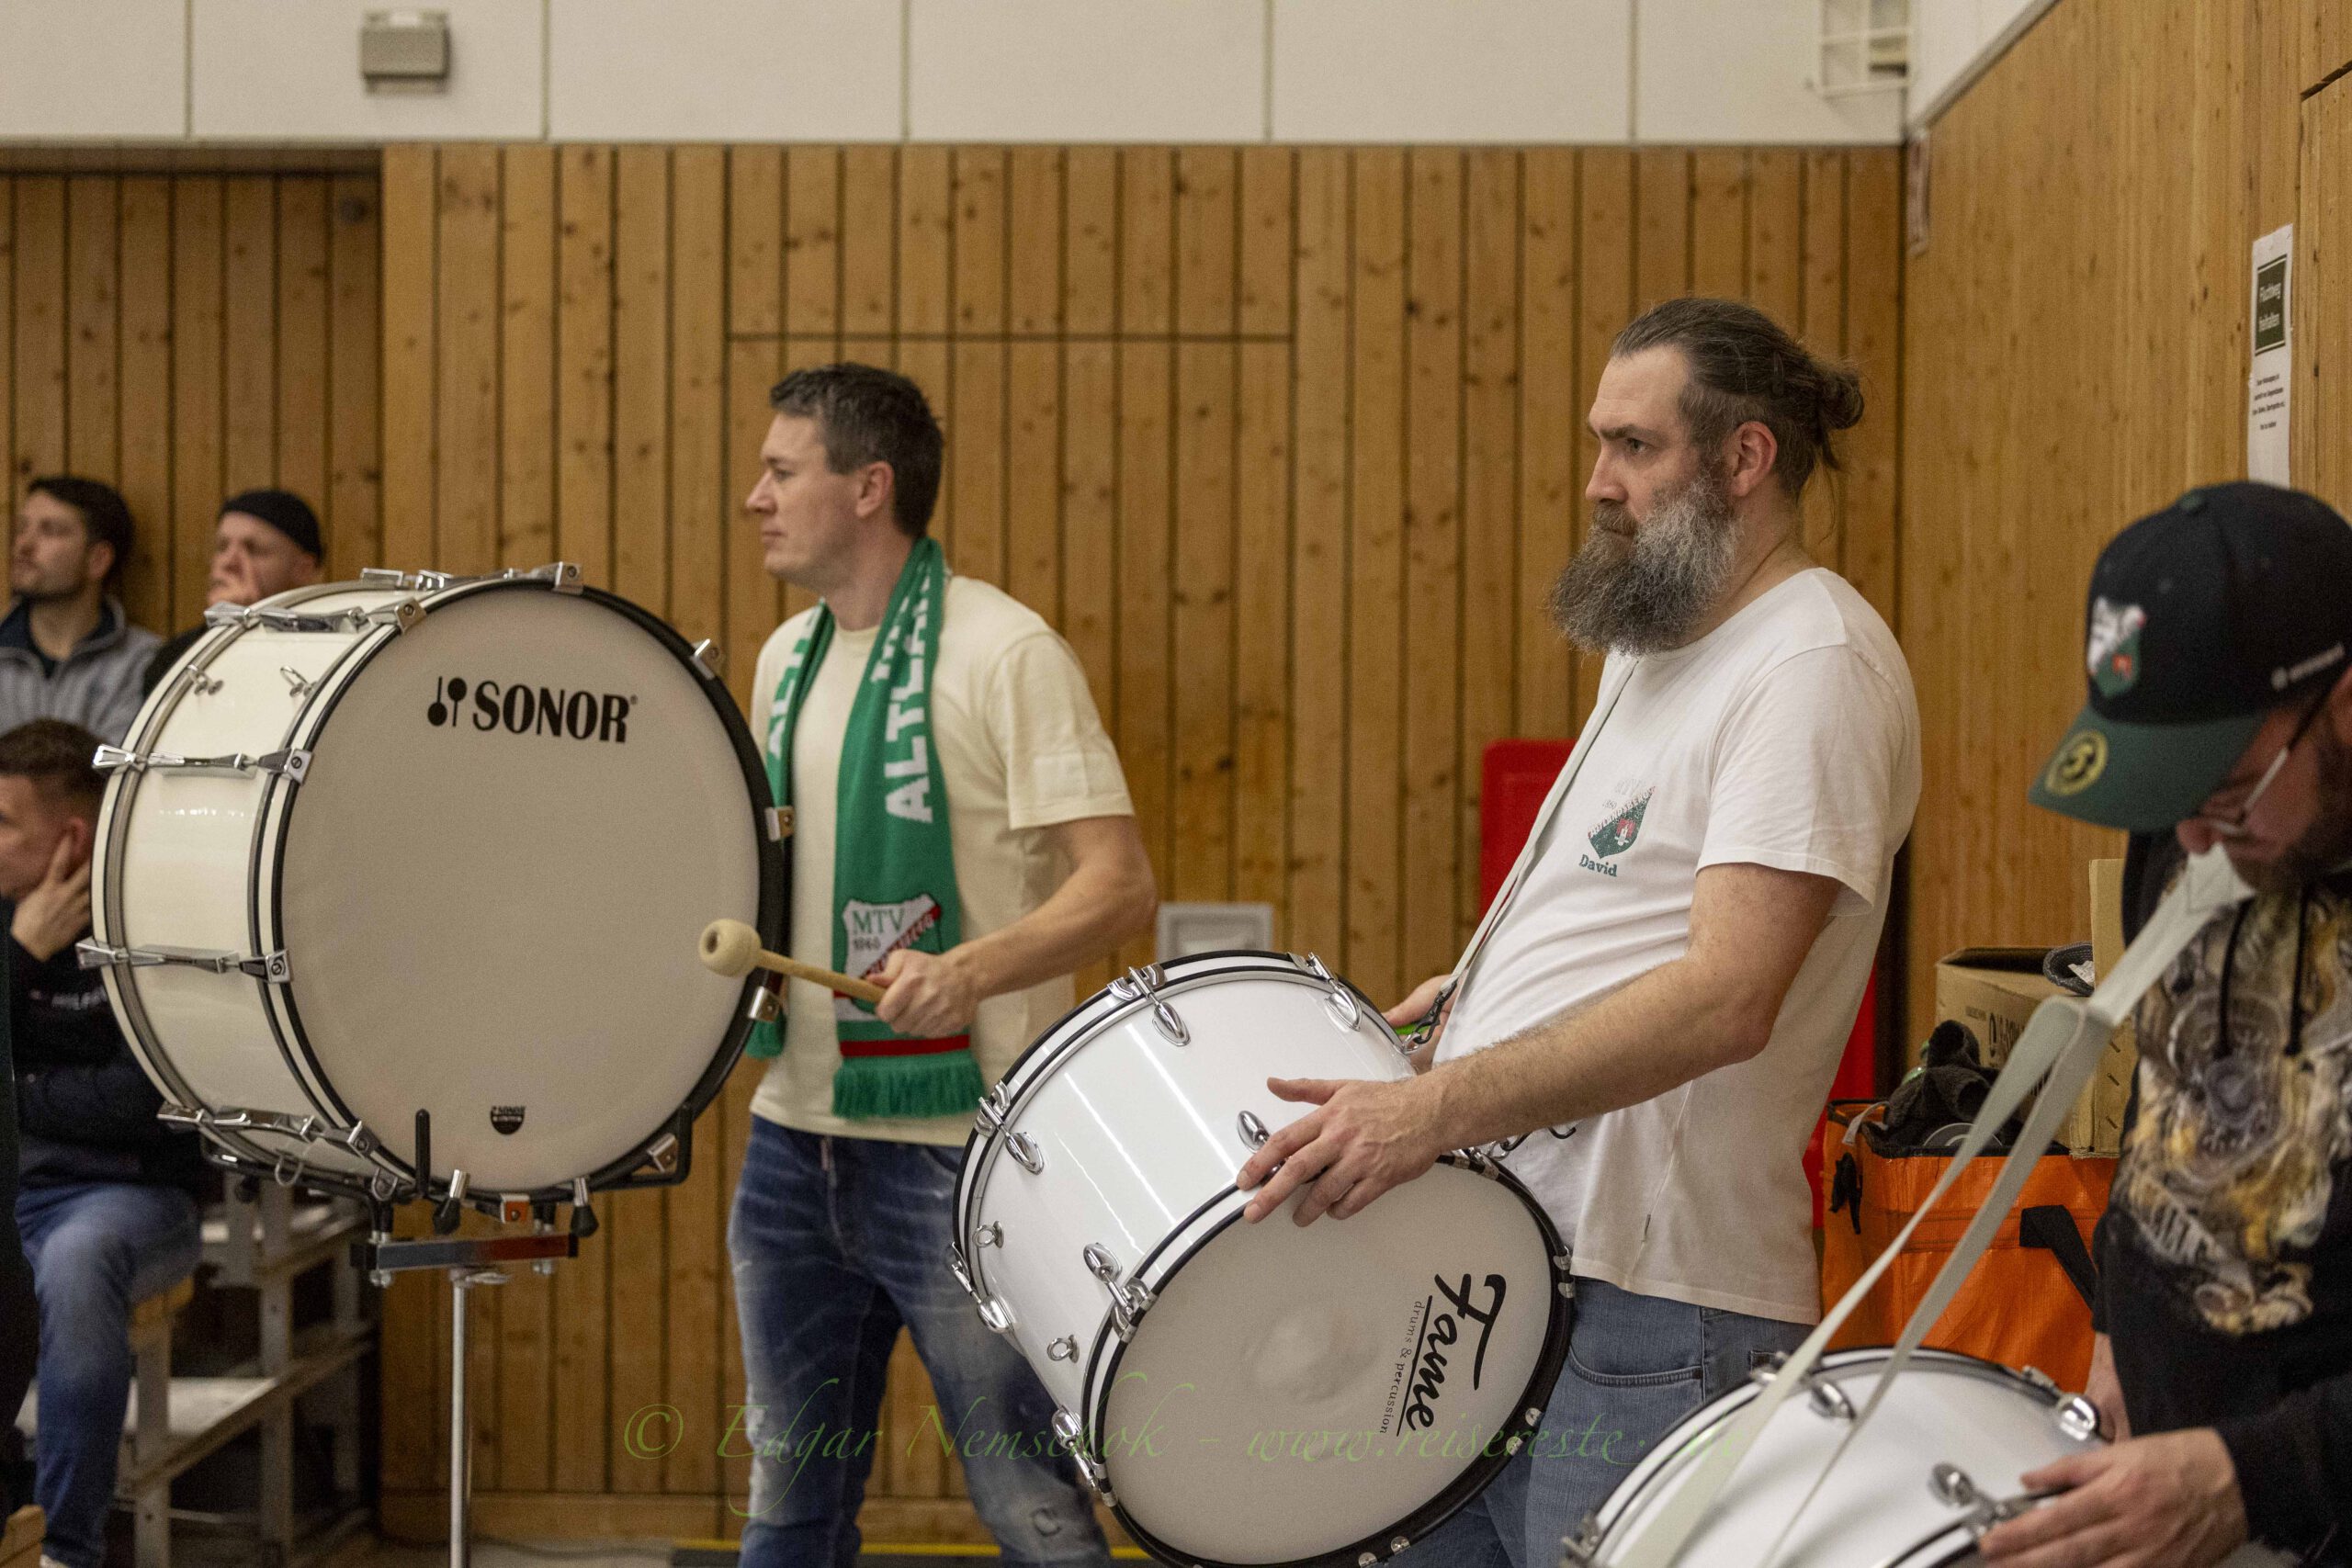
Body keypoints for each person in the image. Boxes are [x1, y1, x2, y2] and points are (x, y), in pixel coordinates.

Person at [1234, 298, 1920, 1563]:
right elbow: (1624, 906)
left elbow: (1728, 995)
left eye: (1635, 446)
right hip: (1512, 1267)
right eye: (1600, 442)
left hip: (1658, 1311)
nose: (1599, 480)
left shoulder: (1810, 663)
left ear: (1746, 457)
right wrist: (1475, 996)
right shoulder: (1659, 643)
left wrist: (1429, 1110)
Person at [728, 364, 1157, 1568]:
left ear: (869, 487)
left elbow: (1120, 884)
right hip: (791, 1141)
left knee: (1030, 1508)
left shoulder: (1006, 650)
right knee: (787, 1504)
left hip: (965, 1151)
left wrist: (967, 971)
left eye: (781, 471)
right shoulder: (783, 658)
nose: (755, 496)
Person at [1980, 482, 2351, 1568]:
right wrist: (2117, 1323)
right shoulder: (2202, 826)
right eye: (2166, 795)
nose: (2190, 840)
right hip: (2175, 1496)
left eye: (2225, 790)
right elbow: (2171, 1090)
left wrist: (2251, 1476)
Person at [1, 719, 204, 1568]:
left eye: (4, 823)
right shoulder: (7, 926)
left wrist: (18, 1098)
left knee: (77, 1265)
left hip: (129, 1193)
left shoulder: (150, 925)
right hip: (16, 1188)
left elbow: (145, 1100)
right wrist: (17, 955)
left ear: (72, 837)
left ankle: (64, 1550)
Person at [0, 479, 160, 746]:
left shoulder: (143, 663)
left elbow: (119, 766)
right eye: (21, 528)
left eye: (50, 531)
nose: (23, 545)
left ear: (98, 560)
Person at [141, 489, 324, 694]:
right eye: (222, 547)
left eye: (253, 550)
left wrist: (250, 628)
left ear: (303, 569)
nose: (229, 562)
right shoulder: (172, 657)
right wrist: (224, 626)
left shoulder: (324, 650)